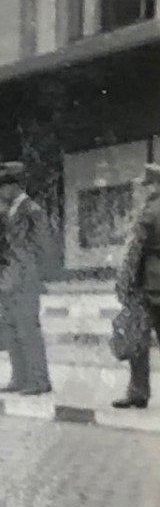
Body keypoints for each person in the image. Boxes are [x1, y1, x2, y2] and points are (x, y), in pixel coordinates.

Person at [0, 161, 55, 395]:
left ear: (14, 185)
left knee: (28, 330)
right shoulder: (11, 212)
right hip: (9, 279)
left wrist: (34, 276)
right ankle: (19, 378)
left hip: (24, 279)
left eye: (2, 186)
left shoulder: (31, 210)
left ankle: (39, 380)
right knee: (12, 330)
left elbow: (43, 246)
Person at [113, 163, 160, 409]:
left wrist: (124, 284)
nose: (138, 191)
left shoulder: (148, 213)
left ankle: (138, 393)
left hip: (148, 285)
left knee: (138, 341)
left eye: (143, 186)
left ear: (153, 186)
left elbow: (133, 252)